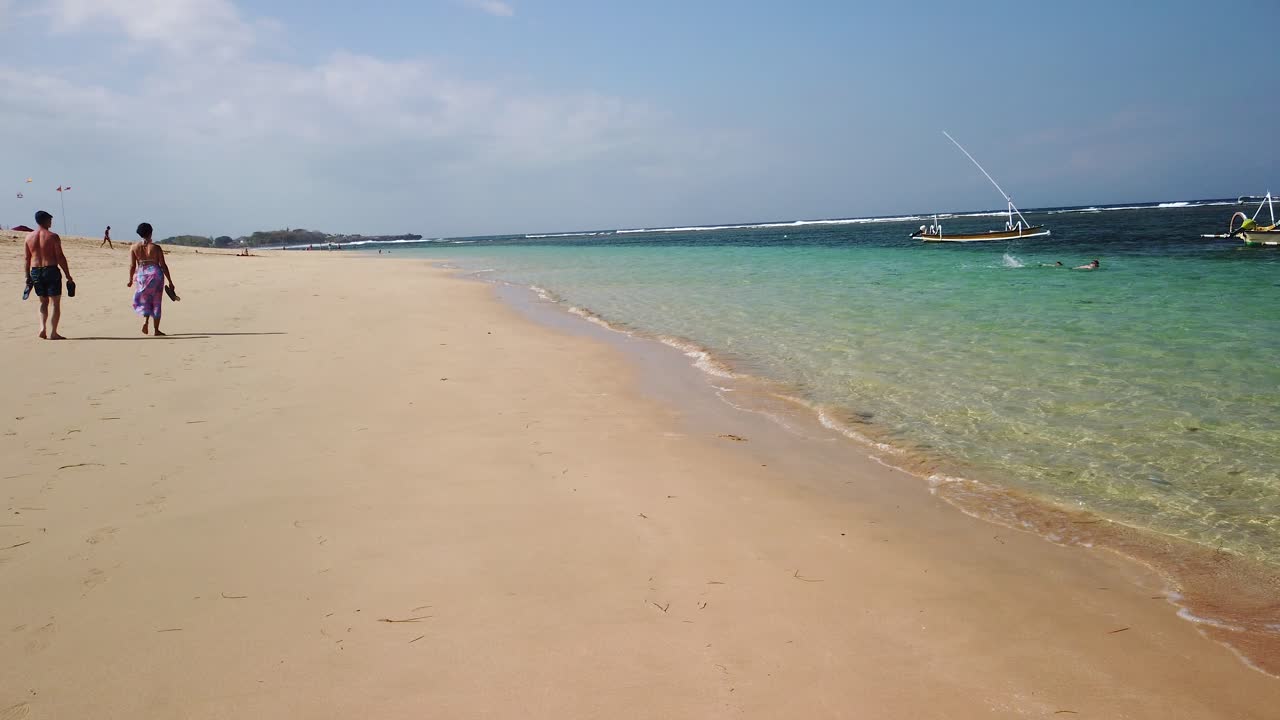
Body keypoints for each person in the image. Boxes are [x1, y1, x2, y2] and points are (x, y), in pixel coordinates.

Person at [24, 210, 73, 340]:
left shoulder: (28, 237)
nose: (51, 222)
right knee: (55, 302)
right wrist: (68, 275)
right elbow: (60, 257)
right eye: (50, 220)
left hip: (35, 271)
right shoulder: (52, 236)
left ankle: (42, 328)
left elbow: (26, 259)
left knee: (42, 301)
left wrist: (27, 276)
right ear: (45, 220)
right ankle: (53, 333)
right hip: (51, 270)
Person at [128, 222, 175, 336]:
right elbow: (163, 265)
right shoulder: (156, 248)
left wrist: (130, 279)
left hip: (141, 275)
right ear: (151, 232)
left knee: (146, 299)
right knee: (156, 301)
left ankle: (145, 321)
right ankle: (156, 330)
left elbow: (132, 266)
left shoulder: (134, 247)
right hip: (155, 274)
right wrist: (170, 281)